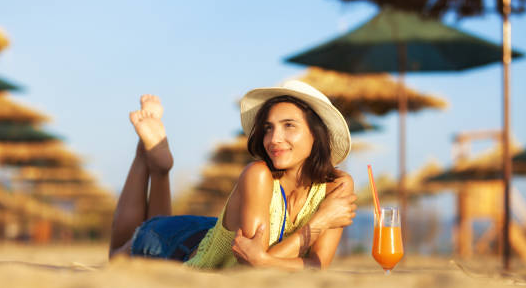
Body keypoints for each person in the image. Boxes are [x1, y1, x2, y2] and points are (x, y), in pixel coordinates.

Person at [109, 80, 357, 270]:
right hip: (184, 247)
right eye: (268, 128)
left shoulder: (337, 186)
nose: (274, 139)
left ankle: (159, 167)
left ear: (317, 134)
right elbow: (251, 267)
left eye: (289, 125)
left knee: (159, 220)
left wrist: (262, 259)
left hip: (213, 231)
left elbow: (316, 266)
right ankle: (146, 155)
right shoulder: (258, 175)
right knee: (118, 255)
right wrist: (320, 222)